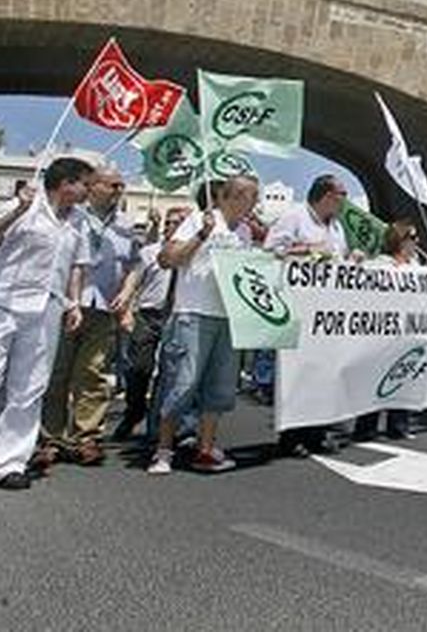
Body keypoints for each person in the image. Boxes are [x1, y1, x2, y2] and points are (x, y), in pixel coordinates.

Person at [0, 156, 93, 489]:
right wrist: (17, 209)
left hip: (46, 309)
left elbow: (76, 264)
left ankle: (6, 463)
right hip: (0, 303)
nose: (88, 191)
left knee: (28, 389)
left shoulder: (79, 222)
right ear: (66, 184)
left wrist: (73, 302)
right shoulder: (22, 205)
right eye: (85, 184)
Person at [149, 174, 261, 475]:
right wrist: (201, 235)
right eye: (252, 196)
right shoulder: (199, 219)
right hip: (193, 313)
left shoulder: (246, 233)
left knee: (220, 389)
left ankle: (206, 449)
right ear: (232, 196)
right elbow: (167, 259)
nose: (256, 202)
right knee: (182, 384)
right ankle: (163, 450)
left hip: (227, 317)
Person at [39, 164, 139, 466]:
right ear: (93, 187)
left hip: (103, 307)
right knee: (57, 372)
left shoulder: (127, 225)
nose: (119, 191)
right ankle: (49, 437)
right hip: (68, 305)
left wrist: (128, 293)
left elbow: (136, 263)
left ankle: (87, 437)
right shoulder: (73, 218)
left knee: (93, 373)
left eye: (121, 186)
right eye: (112, 185)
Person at [266, 174, 349, 455]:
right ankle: (292, 436)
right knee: (299, 373)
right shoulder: (294, 217)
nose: (345, 200)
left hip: (328, 310)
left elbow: (340, 259)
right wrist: (309, 250)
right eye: (342, 194)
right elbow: (270, 251)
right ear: (327, 195)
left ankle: (317, 432)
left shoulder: (336, 226)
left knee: (324, 373)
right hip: (300, 308)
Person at [113, 207, 186, 441]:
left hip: (177, 315)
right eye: (169, 222)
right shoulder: (150, 252)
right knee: (138, 368)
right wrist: (126, 305)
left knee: (169, 373)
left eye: (178, 223)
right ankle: (134, 410)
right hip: (148, 314)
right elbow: (134, 278)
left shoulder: (191, 254)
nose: (171, 227)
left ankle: (157, 427)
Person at [353, 221, 421, 442]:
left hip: (406, 333)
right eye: (413, 238)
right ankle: (365, 427)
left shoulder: (416, 267)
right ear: (400, 241)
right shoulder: (378, 266)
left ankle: (398, 425)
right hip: (380, 333)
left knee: (402, 376)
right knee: (373, 379)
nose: (417, 243)